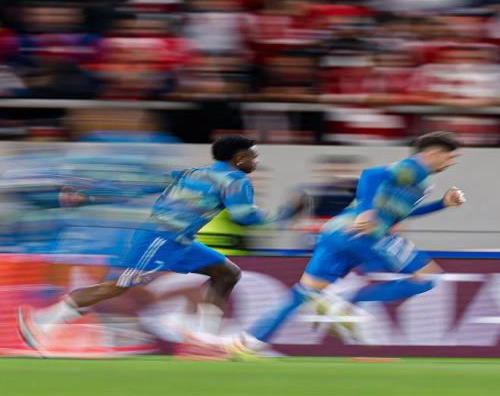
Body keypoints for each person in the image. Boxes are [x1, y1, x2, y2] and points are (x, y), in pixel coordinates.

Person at [17, 135, 305, 352]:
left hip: (178, 240)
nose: (256, 161)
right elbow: (244, 216)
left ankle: (203, 336)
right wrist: (285, 215)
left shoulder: (191, 172)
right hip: (160, 238)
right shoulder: (236, 181)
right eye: (253, 156)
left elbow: (139, 188)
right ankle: (43, 319)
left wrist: (91, 196)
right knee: (117, 286)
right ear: (239, 158)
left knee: (226, 273)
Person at [227, 131, 466, 356]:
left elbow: (399, 213)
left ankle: (248, 342)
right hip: (365, 235)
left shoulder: (422, 183)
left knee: (304, 293)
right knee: (428, 277)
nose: (452, 162)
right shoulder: (414, 167)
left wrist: (442, 204)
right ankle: (345, 300)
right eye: (449, 156)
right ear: (433, 153)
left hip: (335, 232)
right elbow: (371, 174)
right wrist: (366, 211)